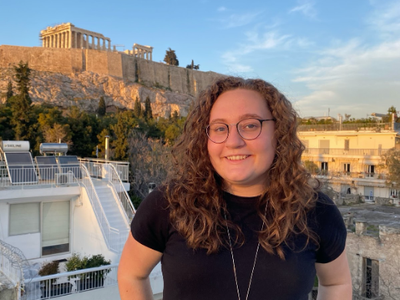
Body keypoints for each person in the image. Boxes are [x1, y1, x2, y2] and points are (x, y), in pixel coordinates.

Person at [118, 76, 352, 300]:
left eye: (250, 125)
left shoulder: (316, 210)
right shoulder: (168, 204)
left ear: (278, 132)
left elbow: (336, 283)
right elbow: (132, 274)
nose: (233, 141)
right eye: (220, 128)